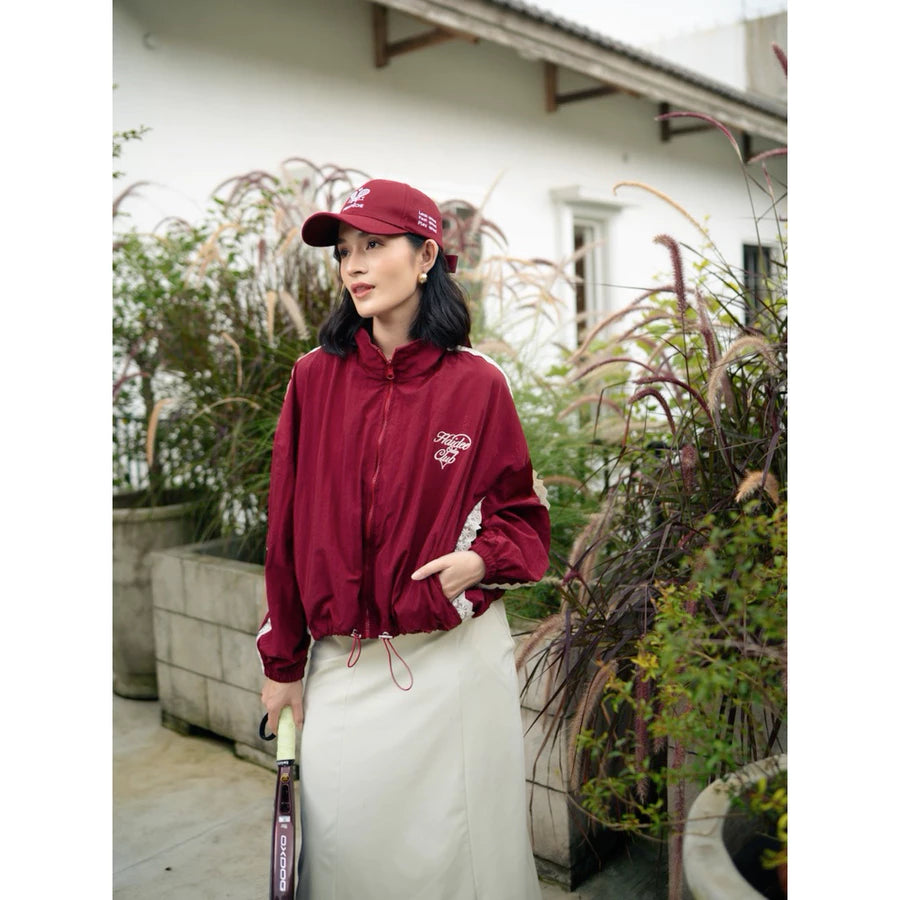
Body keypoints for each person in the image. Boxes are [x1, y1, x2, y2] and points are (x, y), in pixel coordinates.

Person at [256, 178, 551, 899]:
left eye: (374, 246)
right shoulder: (312, 379)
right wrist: (282, 660)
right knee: (346, 856)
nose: (353, 265)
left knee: (460, 863)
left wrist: (481, 559)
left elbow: (522, 516)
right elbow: (285, 530)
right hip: (343, 671)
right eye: (344, 251)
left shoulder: (479, 385)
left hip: (450, 670)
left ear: (425, 256)